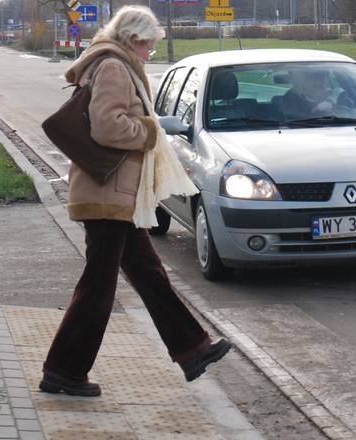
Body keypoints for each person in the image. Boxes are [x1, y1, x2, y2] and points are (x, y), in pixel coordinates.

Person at [39, 5, 231, 397]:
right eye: (149, 46)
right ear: (133, 39)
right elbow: (108, 126)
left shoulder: (116, 62)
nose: (150, 53)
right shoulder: (113, 67)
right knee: (99, 286)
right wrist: (152, 129)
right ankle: (64, 371)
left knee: (148, 275)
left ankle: (193, 349)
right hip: (108, 194)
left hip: (117, 193)